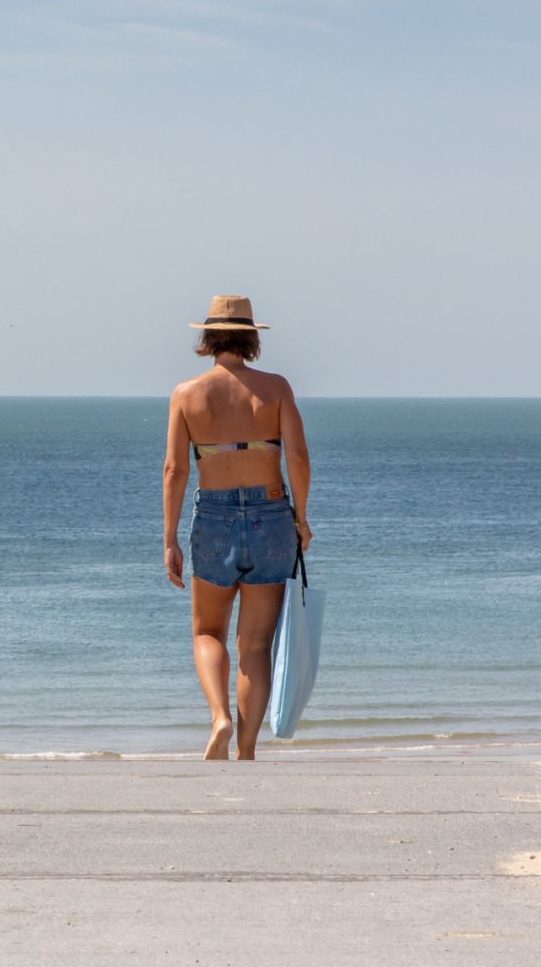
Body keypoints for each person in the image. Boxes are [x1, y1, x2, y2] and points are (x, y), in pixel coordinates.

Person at [162, 295, 312, 761]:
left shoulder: (186, 394)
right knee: (255, 645)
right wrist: (301, 518)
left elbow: (175, 470)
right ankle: (246, 750)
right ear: (251, 338)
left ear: (208, 337)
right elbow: (297, 456)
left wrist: (169, 539)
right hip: (272, 512)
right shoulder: (276, 388)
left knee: (208, 632)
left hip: (214, 516)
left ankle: (219, 718)